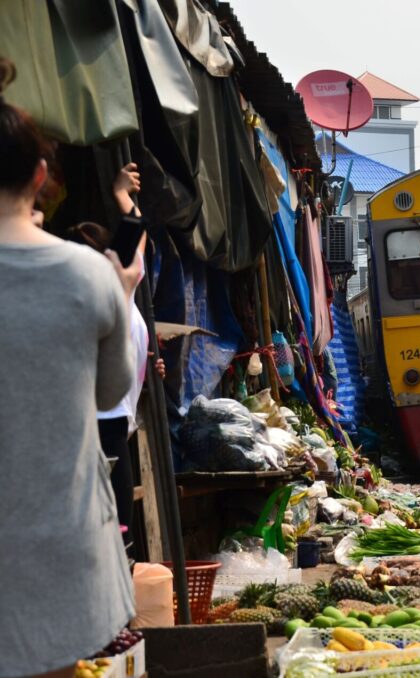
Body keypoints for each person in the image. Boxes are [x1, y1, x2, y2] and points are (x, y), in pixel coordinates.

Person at [0, 59, 139, 678]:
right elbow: (112, 392)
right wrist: (126, 292)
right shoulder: (88, 276)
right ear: (38, 175)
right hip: (61, 549)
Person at [67, 164, 165, 546]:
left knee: (116, 527)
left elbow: (134, 232)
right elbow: (135, 230)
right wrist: (121, 192)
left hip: (116, 422)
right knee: (116, 531)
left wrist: (143, 366)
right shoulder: (107, 291)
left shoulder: (120, 286)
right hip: (102, 426)